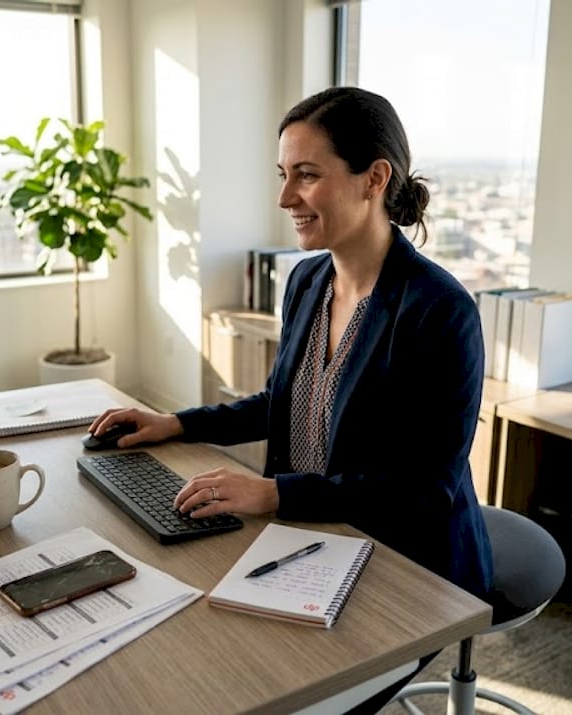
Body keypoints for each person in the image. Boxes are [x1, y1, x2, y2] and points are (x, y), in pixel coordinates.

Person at [89, 87, 492, 704]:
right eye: (283, 175)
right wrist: (174, 423)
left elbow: (423, 489)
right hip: (312, 535)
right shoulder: (308, 279)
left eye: (307, 175)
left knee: (295, 695)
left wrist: (273, 491)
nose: (284, 198)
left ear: (374, 178)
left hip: (407, 560)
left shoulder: (440, 311)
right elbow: (281, 401)